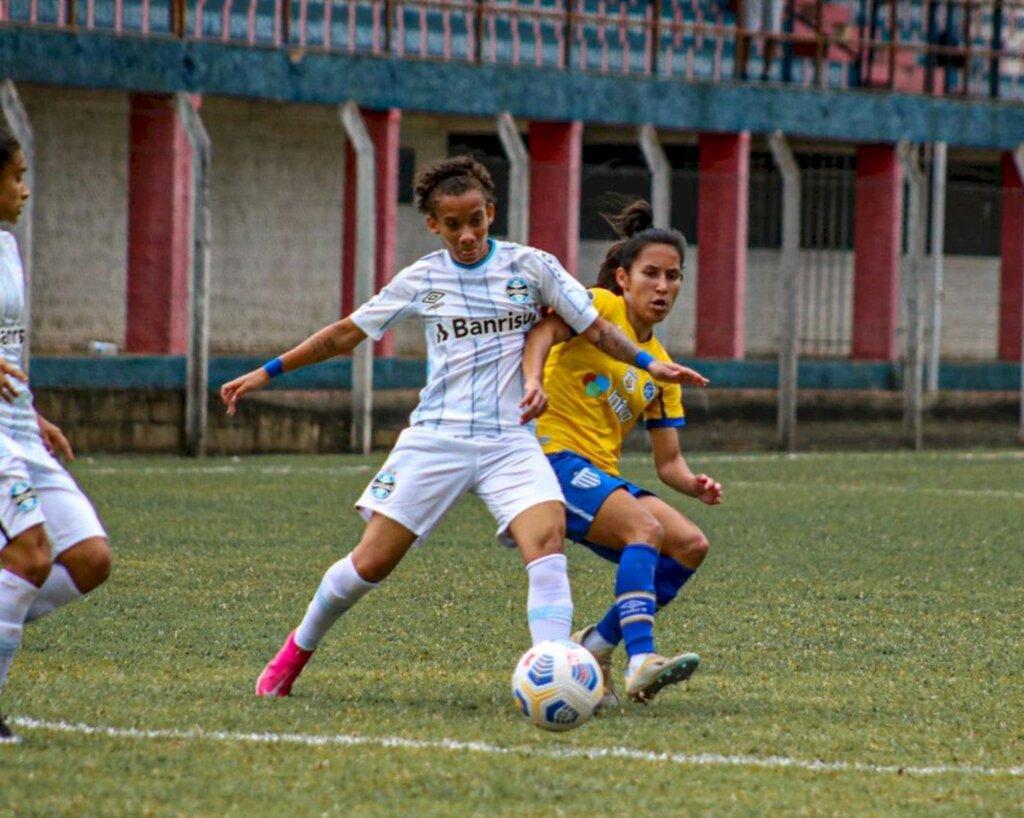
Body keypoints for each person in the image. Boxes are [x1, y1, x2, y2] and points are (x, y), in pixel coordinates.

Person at [220, 157, 708, 697]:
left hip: (511, 442)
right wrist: (267, 372)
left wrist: (648, 366)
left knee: (546, 547)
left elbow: (593, 328)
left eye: (476, 219)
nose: (468, 234)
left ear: (491, 212)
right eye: (454, 225)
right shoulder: (422, 279)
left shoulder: (532, 267)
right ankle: (295, 652)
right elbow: (344, 334)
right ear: (433, 225)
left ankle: (558, 681)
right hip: (437, 438)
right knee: (370, 563)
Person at [521, 200, 721, 707]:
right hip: (549, 461)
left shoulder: (664, 371)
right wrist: (531, 380)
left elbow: (668, 462)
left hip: (598, 474)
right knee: (645, 529)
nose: (663, 286)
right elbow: (544, 330)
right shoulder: (598, 308)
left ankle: (594, 647)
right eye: (650, 274)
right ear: (623, 278)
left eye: (673, 276)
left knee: (689, 544)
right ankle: (641, 660)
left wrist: (694, 482)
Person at [0, 128, 112, 743]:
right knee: (29, 555)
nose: (25, 188)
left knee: (90, 559)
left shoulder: (7, 247)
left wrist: (32, 413)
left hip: (18, 425)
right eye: (16, 175)